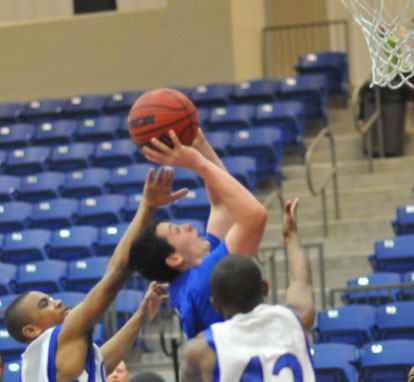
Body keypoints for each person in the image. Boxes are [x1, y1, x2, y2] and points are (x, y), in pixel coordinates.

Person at [4, 168, 187, 382]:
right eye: (44, 304)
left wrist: (141, 316)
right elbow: (114, 275)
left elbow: (102, 362)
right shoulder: (51, 340)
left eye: (50, 298)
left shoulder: (42, 360)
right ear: (31, 329)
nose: (57, 301)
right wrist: (147, 207)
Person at [130, 129, 267, 339]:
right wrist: (196, 162)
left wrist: (199, 145)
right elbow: (254, 216)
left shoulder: (190, 278)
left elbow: (222, 205)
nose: (186, 226)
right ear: (174, 258)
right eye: (176, 231)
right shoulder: (204, 277)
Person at [180, 198, 316, 382]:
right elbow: (302, 280)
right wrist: (291, 237)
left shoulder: (202, 350)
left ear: (215, 303)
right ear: (265, 287)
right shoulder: (297, 318)